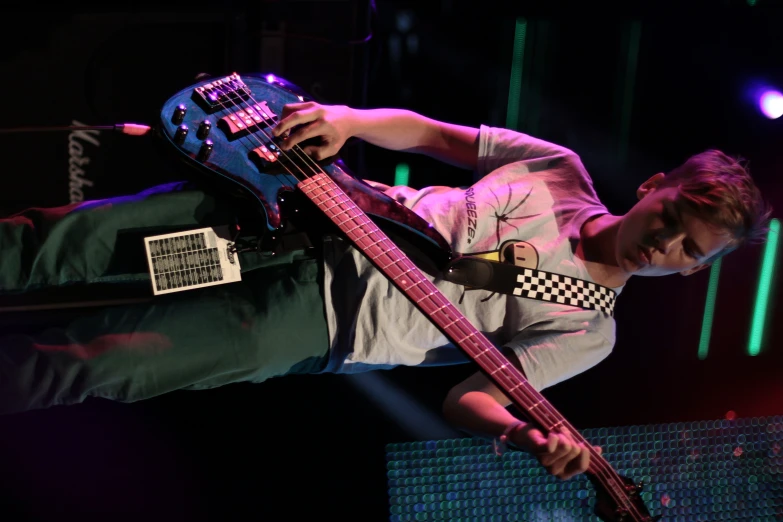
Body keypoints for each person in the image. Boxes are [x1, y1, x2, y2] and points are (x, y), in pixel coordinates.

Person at [0, 101, 771, 482]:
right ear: (652, 186)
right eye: (671, 215)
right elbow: (436, 136)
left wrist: (524, 437)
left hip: (304, 323)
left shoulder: (588, 333)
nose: (664, 243)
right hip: (294, 223)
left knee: (96, 362)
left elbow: (470, 396)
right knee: (68, 247)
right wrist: (350, 120)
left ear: (691, 272)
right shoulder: (557, 168)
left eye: (685, 250)